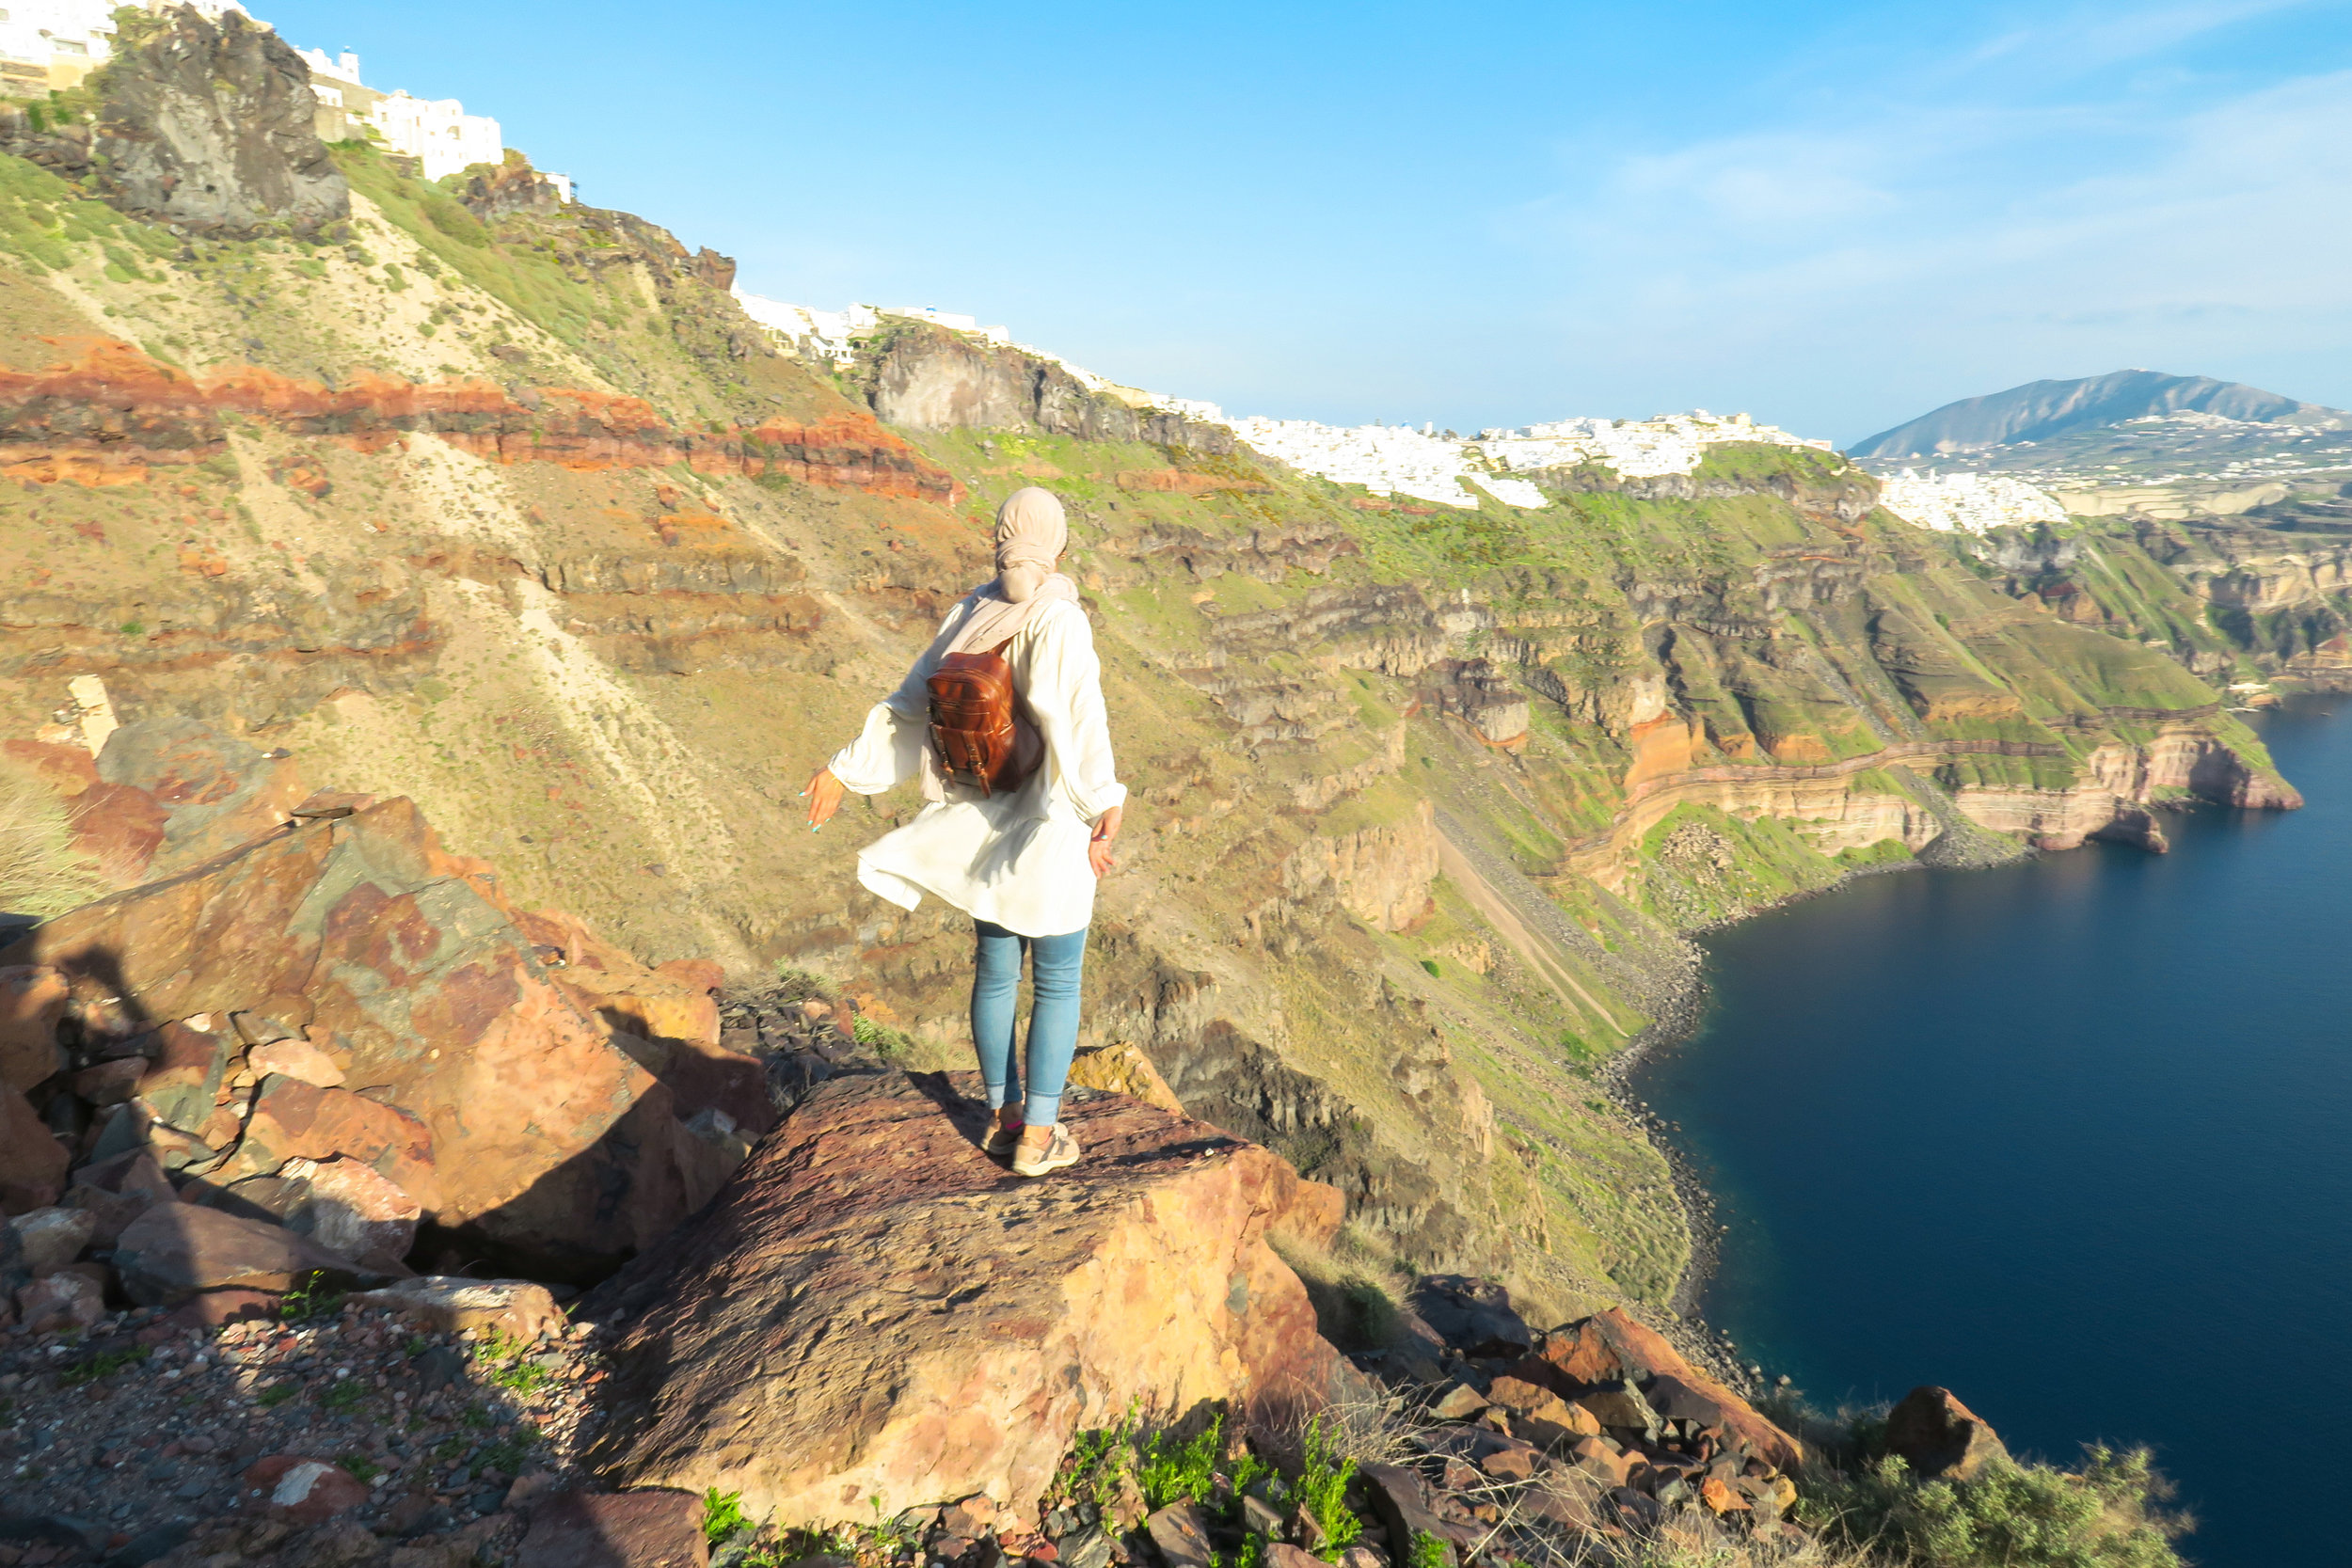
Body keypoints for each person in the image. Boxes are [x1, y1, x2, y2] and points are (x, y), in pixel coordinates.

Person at [802, 487, 1124, 1178]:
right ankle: (1037, 1135)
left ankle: (1003, 1119)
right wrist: (1106, 806)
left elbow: (907, 705)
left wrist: (843, 769)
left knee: (997, 972)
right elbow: (1082, 720)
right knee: (1059, 980)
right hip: (1049, 821)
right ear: (1058, 545)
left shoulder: (970, 614)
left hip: (980, 815)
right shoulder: (1059, 619)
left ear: (1000, 540)